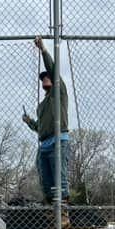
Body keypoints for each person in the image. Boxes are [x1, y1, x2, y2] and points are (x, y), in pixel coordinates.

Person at [22, 36, 70, 206]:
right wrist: (29, 122)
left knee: (59, 176)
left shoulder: (59, 93)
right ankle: (51, 209)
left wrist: (43, 49)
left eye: (47, 77)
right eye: (42, 79)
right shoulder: (42, 106)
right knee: (45, 178)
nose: (44, 79)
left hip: (59, 140)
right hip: (45, 143)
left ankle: (63, 211)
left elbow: (53, 68)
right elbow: (40, 128)